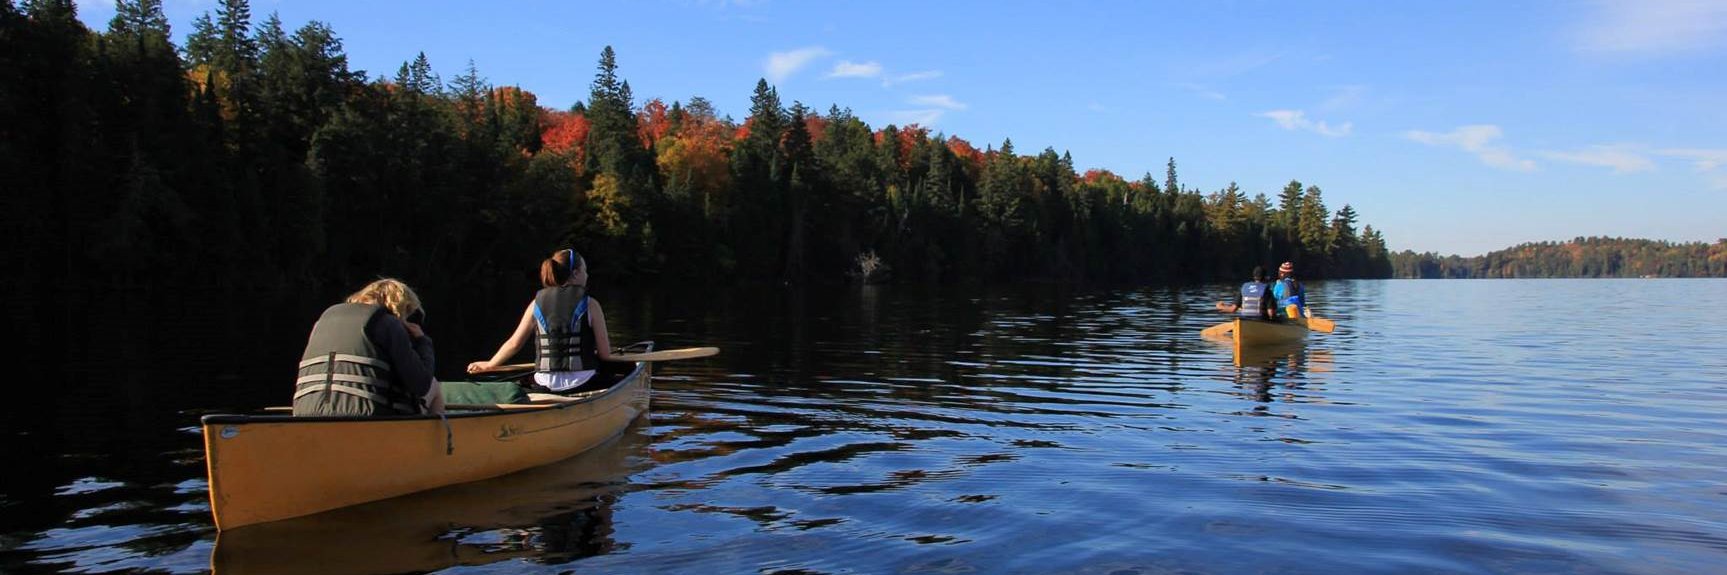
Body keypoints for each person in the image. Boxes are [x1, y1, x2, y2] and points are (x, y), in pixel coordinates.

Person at [467, 249, 616, 392]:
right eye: (585, 271)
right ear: (576, 274)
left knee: (524, 384)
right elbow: (605, 354)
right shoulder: (591, 304)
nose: (587, 275)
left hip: (544, 382)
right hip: (583, 381)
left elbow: (514, 343)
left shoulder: (536, 303)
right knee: (622, 375)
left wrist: (490, 364)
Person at [294, 278, 444, 416]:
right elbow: (421, 383)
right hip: (368, 417)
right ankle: (432, 445)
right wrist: (423, 341)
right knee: (434, 385)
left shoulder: (322, 321)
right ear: (400, 307)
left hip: (306, 413)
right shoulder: (388, 323)